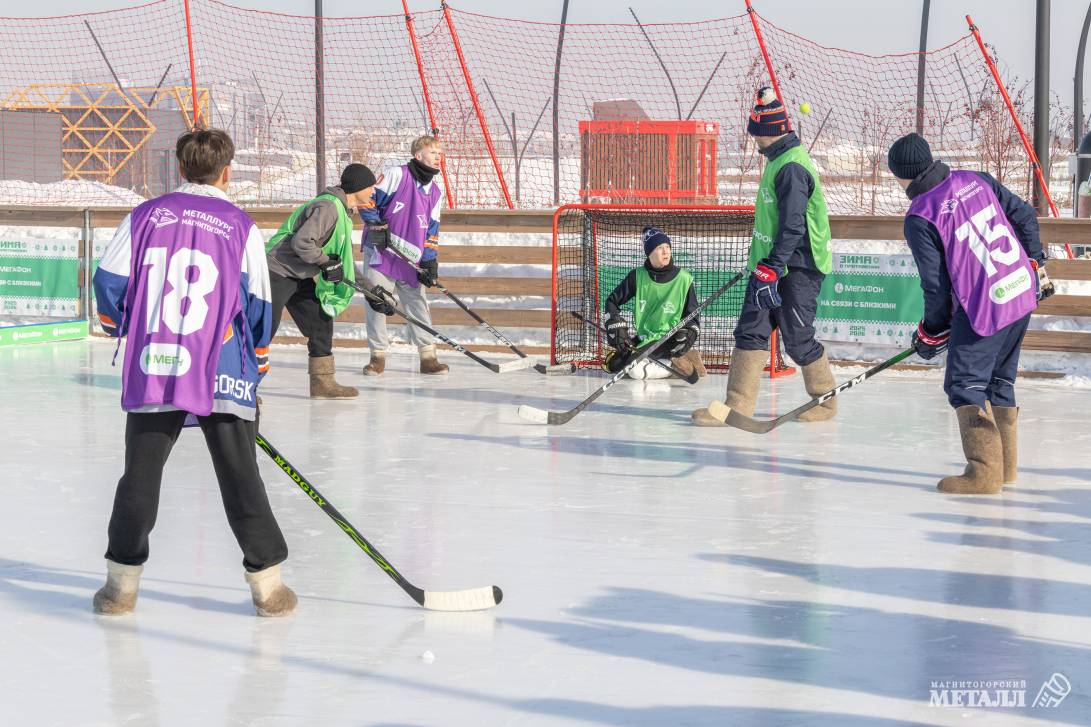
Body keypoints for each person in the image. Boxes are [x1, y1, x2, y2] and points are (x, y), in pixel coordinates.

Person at [91, 127, 295, 617]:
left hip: (154, 362)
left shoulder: (143, 216)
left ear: (180, 168)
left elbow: (109, 282)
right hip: (221, 363)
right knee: (240, 474)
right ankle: (268, 588)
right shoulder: (239, 224)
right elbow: (261, 304)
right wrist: (256, 360)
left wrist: (127, 325)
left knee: (140, 475)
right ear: (226, 172)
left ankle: (121, 587)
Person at [887, 132, 1053, 494]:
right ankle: (1005, 467)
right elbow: (1024, 214)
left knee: (965, 385)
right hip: (1020, 292)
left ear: (901, 174)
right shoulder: (973, 178)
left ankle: (984, 472)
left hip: (986, 306)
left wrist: (932, 331)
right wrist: (1035, 261)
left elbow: (936, 286)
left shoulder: (920, 215)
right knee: (999, 381)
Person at [693, 87, 836, 426]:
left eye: (756, 134)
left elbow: (793, 225)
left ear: (769, 132)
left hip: (798, 265)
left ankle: (826, 402)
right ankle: (738, 406)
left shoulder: (792, 169)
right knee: (750, 331)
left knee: (798, 340)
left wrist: (774, 266)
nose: (754, 142)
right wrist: (765, 266)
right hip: (769, 265)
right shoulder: (778, 161)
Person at [266, 163, 390, 398]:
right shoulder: (328, 206)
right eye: (371, 187)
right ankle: (241, 386)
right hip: (277, 271)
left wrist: (372, 291)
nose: (374, 192)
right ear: (358, 187)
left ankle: (322, 383)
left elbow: (343, 265)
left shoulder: (343, 211)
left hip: (299, 273)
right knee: (263, 330)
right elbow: (302, 242)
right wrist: (324, 261)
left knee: (320, 321)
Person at [358, 135, 448, 376]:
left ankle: (428, 357)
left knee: (418, 304)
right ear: (418, 156)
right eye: (433, 152)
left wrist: (430, 260)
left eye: (440, 153)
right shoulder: (396, 175)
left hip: (411, 257)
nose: (438, 157)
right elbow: (365, 199)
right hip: (382, 251)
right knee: (378, 301)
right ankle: (377, 356)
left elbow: (432, 229)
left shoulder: (436, 192)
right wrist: (377, 227)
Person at [602, 226, 706, 380]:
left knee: (634, 370)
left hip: (670, 338)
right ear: (649, 253)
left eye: (667, 247)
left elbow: (693, 316)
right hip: (646, 337)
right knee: (614, 364)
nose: (665, 252)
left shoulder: (684, 279)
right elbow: (612, 301)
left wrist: (690, 332)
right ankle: (674, 362)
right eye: (659, 248)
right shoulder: (637, 276)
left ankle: (676, 363)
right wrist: (615, 324)